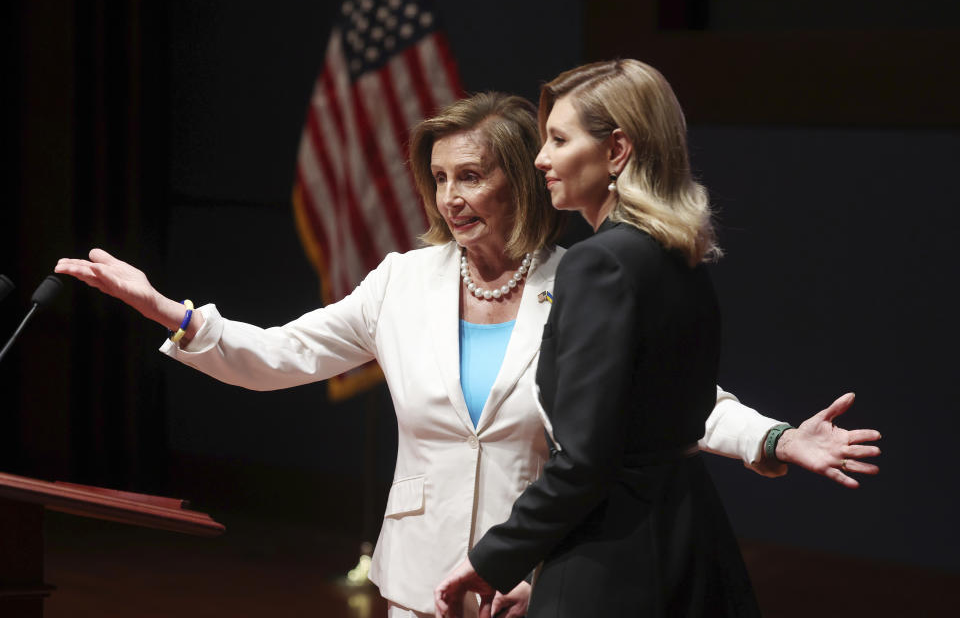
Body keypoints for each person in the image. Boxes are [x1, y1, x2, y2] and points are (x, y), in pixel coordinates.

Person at [56, 92, 879, 618]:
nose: (451, 198)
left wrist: (775, 438)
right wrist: (167, 311)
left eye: (473, 176)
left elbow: (682, 403)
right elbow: (278, 356)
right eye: (439, 178)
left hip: (545, 581)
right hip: (424, 581)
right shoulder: (403, 282)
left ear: (521, 179)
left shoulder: (585, 278)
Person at [434, 62, 882, 618]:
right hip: (689, 546)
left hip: (614, 570)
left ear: (617, 150)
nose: (540, 159)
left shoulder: (599, 264)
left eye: (558, 139)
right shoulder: (678, 254)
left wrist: (490, 561)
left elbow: (585, 464)